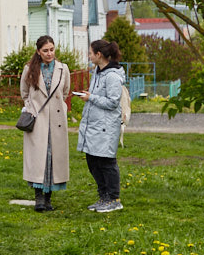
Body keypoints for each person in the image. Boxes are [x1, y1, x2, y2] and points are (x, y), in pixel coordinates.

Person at [19, 35, 71, 212]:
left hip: (56, 120)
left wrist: (59, 108)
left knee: (53, 158)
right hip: (37, 120)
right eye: (45, 50)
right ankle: (39, 198)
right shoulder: (29, 69)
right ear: (38, 52)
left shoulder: (63, 69)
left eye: (52, 49)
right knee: (38, 159)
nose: (49, 54)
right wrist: (31, 107)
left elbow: (65, 92)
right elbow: (24, 93)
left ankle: (49, 198)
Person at [74, 39, 126, 213]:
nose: (88, 56)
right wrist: (89, 96)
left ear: (99, 55)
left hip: (106, 126)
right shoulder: (97, 72)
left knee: (106, 162)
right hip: (95, 124)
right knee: (93, 161)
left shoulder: (112, 76)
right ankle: (103, 196)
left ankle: (114, 198)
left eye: (90, 53)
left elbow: (112, 102)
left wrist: (91, 98)